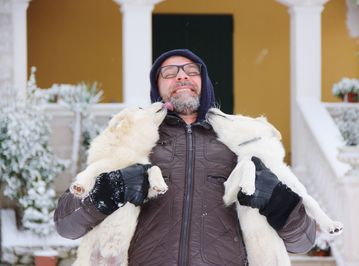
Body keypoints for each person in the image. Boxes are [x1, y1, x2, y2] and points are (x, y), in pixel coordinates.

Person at [54, 49, 316, 265]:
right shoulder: (131, 140)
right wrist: (108, 190)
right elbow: (67, 224)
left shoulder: (240, 145)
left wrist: (278, 201)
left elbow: (303, 240)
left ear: (205, 84)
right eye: (169, 73)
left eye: (191, 71)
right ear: (157, 88)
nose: (181, 77)